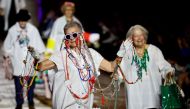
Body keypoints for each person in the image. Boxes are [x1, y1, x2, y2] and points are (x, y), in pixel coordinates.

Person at [36, 21, 115, 109]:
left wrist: (123, 54)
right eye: (68, 36)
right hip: (66, 105)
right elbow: (41, 66)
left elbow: (110, 67)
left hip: (85, 104)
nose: (71, 38)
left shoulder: (92, 54)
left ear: (81, 35)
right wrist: (35, 59)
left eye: (74, 35)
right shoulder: (61, 55)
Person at [116, 24, 175, 109]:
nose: (139, 38)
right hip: (134, 97)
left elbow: (164, 67)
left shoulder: (154, 50)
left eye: (141, 35)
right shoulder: (127, 52)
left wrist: (168, 72)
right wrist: (117, 77)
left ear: (145, 36)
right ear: (131, 38)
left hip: (153, 96)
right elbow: (121, 70)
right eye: (136, 36)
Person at [3, 9, 45, 109]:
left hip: (31, 61)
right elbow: (7, 46)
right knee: (18, 85)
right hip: (17, 61)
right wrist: (8, 55)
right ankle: (19, 103)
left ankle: (30, 101)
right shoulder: (12, 30)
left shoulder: (33, 30)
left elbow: (39, 45)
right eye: (20, 20)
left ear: (27, 20)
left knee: (31, 84)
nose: (22, 22)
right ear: (18, 20)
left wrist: (39, 57)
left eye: (24, 20)